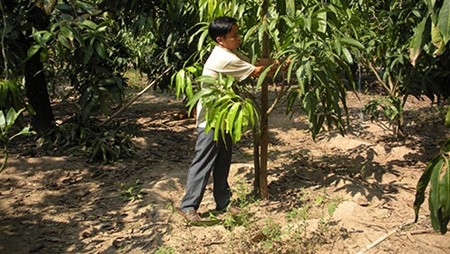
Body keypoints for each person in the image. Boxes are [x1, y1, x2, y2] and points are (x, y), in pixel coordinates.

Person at [179, 16, 276, 222]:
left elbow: (254, 63)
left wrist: (279, 61)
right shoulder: (223, 58)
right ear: (220, 39)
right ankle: (189, 206)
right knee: (203, 162)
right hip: (212, 120)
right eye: (234, 36)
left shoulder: (227, 52)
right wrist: (281, 66)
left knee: (223, 162)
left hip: (224, 118)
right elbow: (256, 71)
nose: (238, 38)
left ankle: (223, 203)